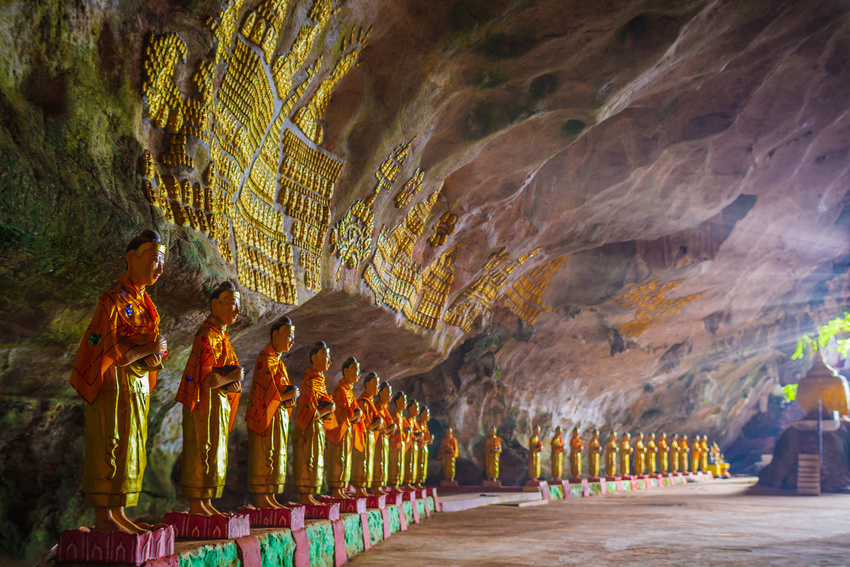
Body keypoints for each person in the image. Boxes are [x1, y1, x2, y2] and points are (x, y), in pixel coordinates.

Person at [70, 230, 167, 533]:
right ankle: (104, 517)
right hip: (113, 382)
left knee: (132, 446)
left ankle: (119, 512)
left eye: (162, 261)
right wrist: (149, 350)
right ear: (131, 259)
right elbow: (108, 349)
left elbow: (146, 348)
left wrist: (154, 355)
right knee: (109, 443)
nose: (160, 267)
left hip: (137, 385)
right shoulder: (113, 300)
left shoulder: (145, 305)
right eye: (154, 259)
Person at [176, 281, 243, 515]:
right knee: (202, 448)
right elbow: (207, 379)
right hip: (203, 403)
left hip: (219, 404)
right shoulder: (206, 336)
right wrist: (231, 377)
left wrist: (233, 382)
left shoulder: (224, 339)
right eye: (232, 303)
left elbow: (223, 377)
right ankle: (197, 505)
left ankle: (207, 503)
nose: (237, 310)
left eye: (238, 305)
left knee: (216, 451)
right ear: (215, 305)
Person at [245, 317, 299, 508]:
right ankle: (262, 498)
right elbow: (264, 392)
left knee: (277, 455)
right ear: (275, 335)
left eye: (293, 337)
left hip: (278, 416)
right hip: (265, 417)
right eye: (289, 336)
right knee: (265, 454)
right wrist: (286, 396)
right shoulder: (265, 360)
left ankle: (270, 497)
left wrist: (290, 397)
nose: (292, 341)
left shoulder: (279, 363)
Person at [292, 342, 336, 505]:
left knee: (316, 460)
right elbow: (310, 412)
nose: (329, 361)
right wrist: (327, 409)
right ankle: (305, 496)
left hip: (317, 428)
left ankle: (309, 495)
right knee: (307, 459)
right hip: (307, 429)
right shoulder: (310, 382)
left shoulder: (320, 382)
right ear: (315, 358)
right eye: (326, 357)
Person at [325, 357, 364, 498]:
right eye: (355, 370)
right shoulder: (340, 390)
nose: (358, 374)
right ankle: (336, 490)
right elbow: (338, 413)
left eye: (359, 371)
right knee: (339, 459)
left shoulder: (349, 391)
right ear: (346, 371)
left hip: (347, 431)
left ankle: (341, 489)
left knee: (346, 460)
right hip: (339, 432)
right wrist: (354, 414)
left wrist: (357, 415)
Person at [352, 372, 381, 497]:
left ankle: (364, 488)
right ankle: (359, 488)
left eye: (378, 384)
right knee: (362, 461)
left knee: (369, 461)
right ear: (367, 384)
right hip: (363, 435)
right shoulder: (363, 402)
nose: (377, 387)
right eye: (375, 384)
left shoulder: (371, 402)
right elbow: (362, 423)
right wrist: (375, 425)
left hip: (370, 436)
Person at [372, 382, 395, 494]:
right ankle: (376, 486)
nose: (391, 395)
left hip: (384, 439)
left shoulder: (385, 409)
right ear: (380, 393)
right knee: (379, 462)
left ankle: (381, 486)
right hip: (378, 439)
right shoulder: (378, 407)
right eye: (388, 392)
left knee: (384, 462)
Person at [388, 391, 408, 492]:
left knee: (400, 463)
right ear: (397, 402)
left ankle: (397, 484)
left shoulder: (401, 416)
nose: (405, 403)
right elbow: (395, 429)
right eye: (403, 401)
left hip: (401, 442)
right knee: (395, 463)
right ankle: (393, 484)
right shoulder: (395, 414)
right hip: (395, 442)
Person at [416, 406, 433, 488]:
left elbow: (426, 439)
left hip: (424, 447)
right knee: (418, 465)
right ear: (421, 414)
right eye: (427, 413)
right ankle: (416, 482)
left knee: (423, 465)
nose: (428, 415)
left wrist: (430, 439)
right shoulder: (418, 424)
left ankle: (420, 482)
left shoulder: (425, 425)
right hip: (419, 448)